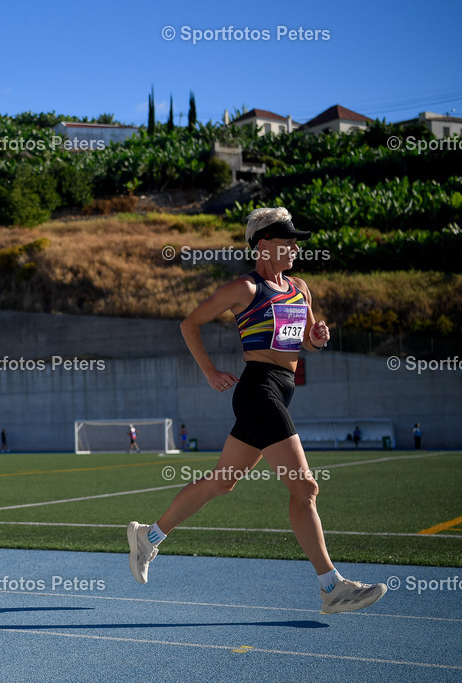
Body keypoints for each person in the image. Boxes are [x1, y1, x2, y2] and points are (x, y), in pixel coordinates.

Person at [127, 207, 387, 615]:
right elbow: (188, 324)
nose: (296, 248)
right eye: (287, 242)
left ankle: (149, 536)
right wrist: (210, 371)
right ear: (263, 246)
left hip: (281, 391)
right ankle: (331, 586)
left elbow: (302, 341)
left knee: (221, 482)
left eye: (297, 242)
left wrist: (318, 339)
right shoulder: (245, 289)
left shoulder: (300, 288)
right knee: (305, 489)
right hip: (257, 391)